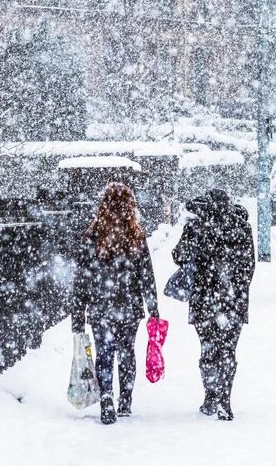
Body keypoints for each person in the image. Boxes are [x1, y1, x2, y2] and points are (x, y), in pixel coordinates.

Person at [70, 182, 160, 425]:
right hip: (129, 306)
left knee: (105, 354)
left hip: (101, 307)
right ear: (130, 206)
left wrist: (77, 315)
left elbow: (81, 279)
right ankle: (126, 400)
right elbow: (146, 275)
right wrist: (153, 308)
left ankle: (107, 397)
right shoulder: (136, 235)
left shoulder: (92, 236)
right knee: (127, 352)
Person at [172, 189, 256, 421]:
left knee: (208, 349)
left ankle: (211, 396)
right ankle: (225, 399)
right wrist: (236, 289)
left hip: (203, 299)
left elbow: (179, 256)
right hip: (233, 300)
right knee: (228, 350)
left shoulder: (196, 227)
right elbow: (249, 266)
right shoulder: (241, 227)